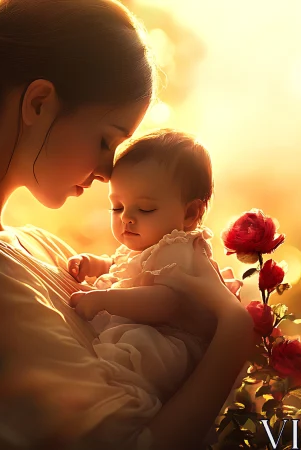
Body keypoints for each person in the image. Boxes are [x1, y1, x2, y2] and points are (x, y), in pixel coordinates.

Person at [0, 1, 254, 449]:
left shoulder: (36, 245)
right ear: (40, 103)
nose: (109, 172)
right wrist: (234, 330)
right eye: (108, 140)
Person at [66, 130, 242, 403]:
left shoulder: (181, 249)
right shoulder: (151, 243)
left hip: (167, 341)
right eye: (117, 207)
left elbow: (166, 302)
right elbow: (122, 265)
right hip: (141, 326)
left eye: (145, 209)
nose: (126, 218)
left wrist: (106, 299)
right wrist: (94, 263)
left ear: (189, 214)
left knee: (129, 361)